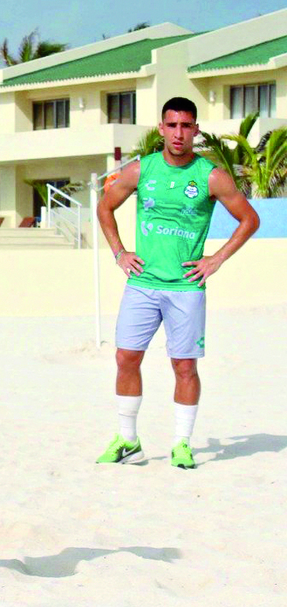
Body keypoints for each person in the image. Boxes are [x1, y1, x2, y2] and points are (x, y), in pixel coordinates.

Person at [95, 96, 259, 469]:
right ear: (161, 129)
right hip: (142, 283)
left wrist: (216, 259)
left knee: (184, 367)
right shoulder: (141, 170)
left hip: (186, 288)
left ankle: (182, 444)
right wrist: (119, 253)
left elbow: (249, 219)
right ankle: (128, 440)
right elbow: (105, 207)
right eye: (172, 125)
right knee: (125, 357)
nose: (179, 133)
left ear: (196, 130)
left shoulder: (211, 176)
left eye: (186, 126)